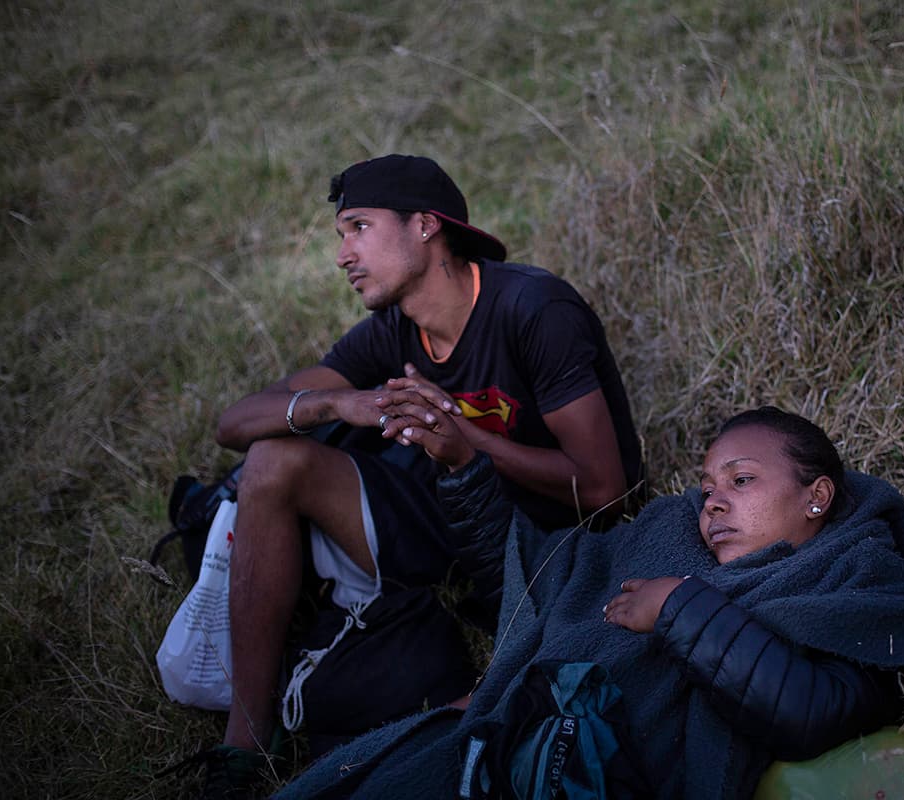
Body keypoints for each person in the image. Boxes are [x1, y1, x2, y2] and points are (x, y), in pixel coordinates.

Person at [202, 154, 643, 794]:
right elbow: (234, 423)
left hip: (534, 543)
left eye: (359, 227)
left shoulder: (532, 308)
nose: (342, 255)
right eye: (341, 235)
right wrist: (334, 404)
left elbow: (607, 489)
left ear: (425, 226)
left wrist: (466, 437)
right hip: (441, 516)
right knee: (272, 459)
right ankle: (245, 742)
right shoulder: (393, 331)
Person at [274, 405, 904, 799]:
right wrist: (464, 470)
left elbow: (815, 713)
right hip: (509, 749)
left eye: (742, 479)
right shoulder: (667, 539)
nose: (713, 499)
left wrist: (680, 612)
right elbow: (542, 572)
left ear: (816, 496)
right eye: (707, 485)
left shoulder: (853, 579)